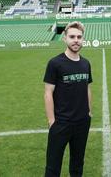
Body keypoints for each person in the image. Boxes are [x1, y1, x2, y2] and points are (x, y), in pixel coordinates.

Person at [43, 21, 92, 177]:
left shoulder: (85, 63)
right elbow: (48, 92)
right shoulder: (55, 63)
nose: (76, 40)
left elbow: (87, 88)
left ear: (83, 39)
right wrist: (52, 121)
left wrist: (89, 112)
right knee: (53, 166)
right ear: (65, 38)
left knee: (78, 164)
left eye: (79, 37)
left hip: (82, 122)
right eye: (72, 36)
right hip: (61, 122)